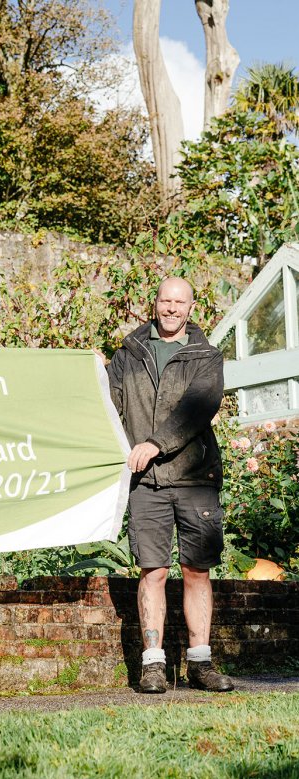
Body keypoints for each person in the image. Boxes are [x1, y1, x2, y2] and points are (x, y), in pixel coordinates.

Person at [107, 277, 234, 694]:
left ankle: (200, 663)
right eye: (165, 300)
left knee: (196, 571)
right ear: (155, 303)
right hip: (147, 482)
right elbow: (108, 404)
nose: (172, 308)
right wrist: (89, 372)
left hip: (195, 479)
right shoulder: (129, 353)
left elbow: (198, 409)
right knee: (153, 571)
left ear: (191, 308)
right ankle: (153, 664)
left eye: (180, 302)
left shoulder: (206, 356)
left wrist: (155, 443)